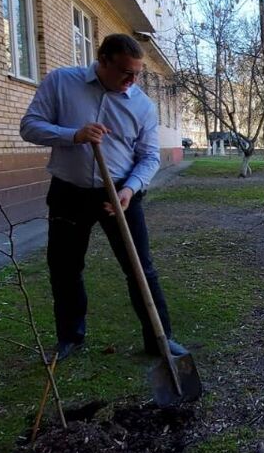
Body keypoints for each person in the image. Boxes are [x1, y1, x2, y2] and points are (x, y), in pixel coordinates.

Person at [20, 33, 175, 361]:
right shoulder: (63, 82)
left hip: (118, 193)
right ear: (103, 60)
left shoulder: (142, 105)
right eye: (125, 73)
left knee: (140, 268)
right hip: (68, 191)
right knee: (65, 268)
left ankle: (160, 340)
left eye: (137, 74)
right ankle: (70, 337)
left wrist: (130, 188)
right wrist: (72, 135)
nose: (132, 81)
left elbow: (149, 157)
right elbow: (30, 126)